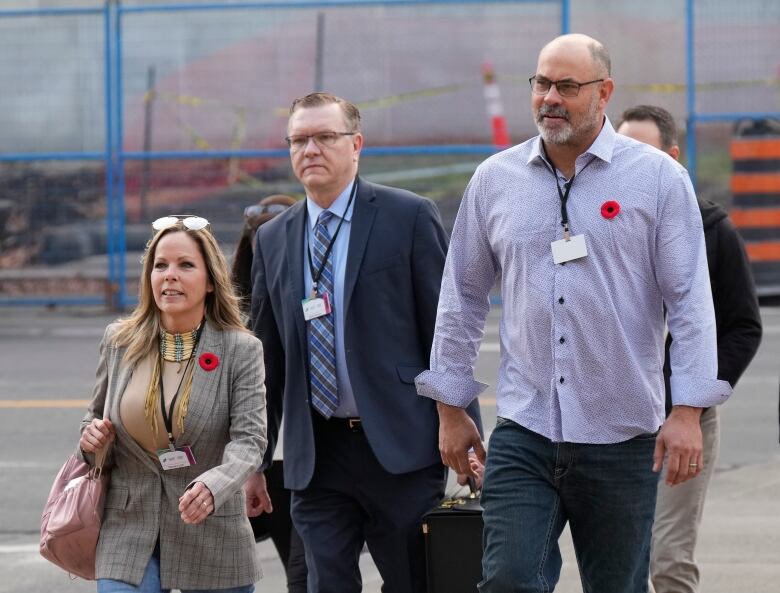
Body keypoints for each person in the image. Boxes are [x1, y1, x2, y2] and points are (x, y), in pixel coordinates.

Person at [415, 34, 733, 593]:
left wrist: (687, 410)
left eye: (567, 86)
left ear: (605, 92)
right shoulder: (495, 179)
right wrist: (450, 408)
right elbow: (461, 297)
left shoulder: (658, 179)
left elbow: (689, 302)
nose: (550, 98)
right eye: (541, 84)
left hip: (624, 436)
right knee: (509, 580)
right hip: (525, 429)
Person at [246, 91, 481, 593]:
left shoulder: (407, 216)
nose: (310, 149)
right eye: (299, 140)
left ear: (356, 145)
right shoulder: (273, 239)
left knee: (411, 581)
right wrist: (255, 461)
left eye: (324, 137)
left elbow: (447, 328)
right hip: (317, 454)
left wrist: (463, 427)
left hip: (399, 445)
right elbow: (268, 360)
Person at [78, 214, 267, 592]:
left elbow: (250, 440)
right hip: (129, 526)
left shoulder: (241, 350)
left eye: (185, 265)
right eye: (160, 265)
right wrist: (91, 440)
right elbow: (94, 419)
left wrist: (216, 485)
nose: (170, 275)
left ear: (211, 281)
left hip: (211, 528)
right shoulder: (119, 341)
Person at [617, 105, 762, 593]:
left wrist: (691, 401)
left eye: (642, 151)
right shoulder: (599, 223)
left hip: (683, 420)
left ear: (672, 157)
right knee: (619, 556)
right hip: (611, 419)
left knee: (669, 556)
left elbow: (742, 327)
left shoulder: (711, 230)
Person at [231, 194, 307, 593]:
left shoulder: (312, 298)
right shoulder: (230, 310)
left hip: (301, 453)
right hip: (253, 462)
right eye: (262, 246)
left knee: (304, 569)